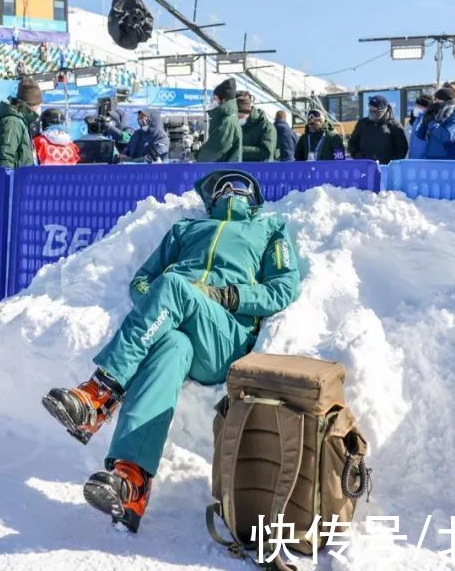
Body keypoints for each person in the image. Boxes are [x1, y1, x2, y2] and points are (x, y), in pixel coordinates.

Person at [42, 169, 300, 532]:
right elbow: (143, 281)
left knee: (174, 285)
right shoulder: (185, 230)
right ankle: (131, 480)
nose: (229, 191)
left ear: (255, 197)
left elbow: (283, 288)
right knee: (169, 347)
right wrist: (161, 307)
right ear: (209, 200)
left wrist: (227, 296)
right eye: (220, 187)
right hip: (179, 328)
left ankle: (99, 394)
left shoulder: (269, 230)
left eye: (239, 185)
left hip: (224, 335)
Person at [0, 77, 43, 168]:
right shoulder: (12, 122)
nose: (40, 108)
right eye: (39, 105)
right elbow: (5, 157)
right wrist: (9, 181)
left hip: (22, 178)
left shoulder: (21, 121)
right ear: (31, 105)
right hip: (15, 180)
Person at [348, 95, 408, 164]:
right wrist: (360, 157)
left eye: (374, 110)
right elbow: (352, 144)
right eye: (370, 109)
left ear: (383, 110)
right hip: (365, 168)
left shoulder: (394, 125)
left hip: (386, 169)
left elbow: (402, 149)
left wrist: (391, 164)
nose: (371, 112)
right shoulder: (362, 124)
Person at [416, 85, 455, 160]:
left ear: (447, 100)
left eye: (438, 100)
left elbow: (447, 137)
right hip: (432, 160)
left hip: (450, 162)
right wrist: (426, 119)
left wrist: (431, 123)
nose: (435, 102)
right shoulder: (437, 115)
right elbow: (420, 135)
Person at [196, 79, 242, 162]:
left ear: (223, 100)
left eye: (215, 98)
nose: (213, 101)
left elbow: (216, 149)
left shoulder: (227, 122)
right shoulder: (226, 118)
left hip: (224, 169)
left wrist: (199, 157)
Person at [237, 92, 277, 162]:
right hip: (242, 169)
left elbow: (266, 152)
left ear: (247, 113)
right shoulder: (241, 126)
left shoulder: (267, 127)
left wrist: (240, 150)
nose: (238, 119)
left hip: (260, 170)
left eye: (240, 116)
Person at [406, 94, 432, 160]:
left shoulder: (429, 121)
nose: (417, 108)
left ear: (427, 108)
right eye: (416, 106)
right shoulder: (416, 120)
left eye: (420, 107)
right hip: (412, 160)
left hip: (424, 161)